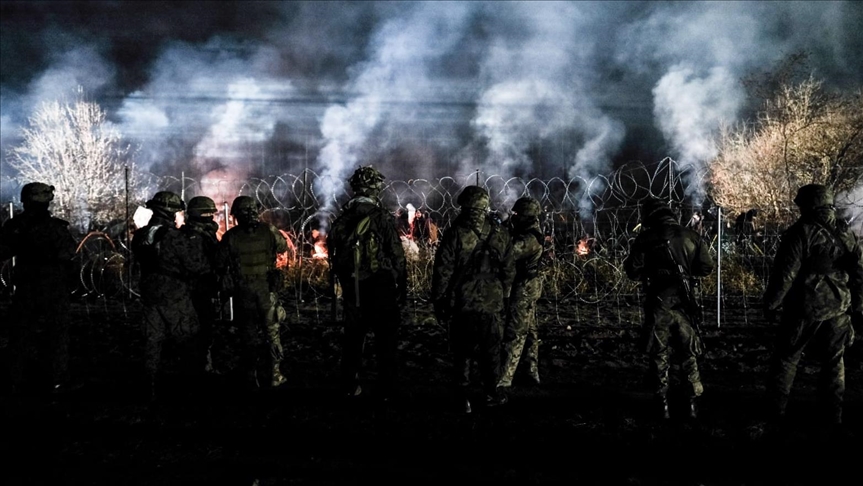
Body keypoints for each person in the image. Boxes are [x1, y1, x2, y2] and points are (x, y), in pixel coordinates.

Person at [763, 184, 863, 426]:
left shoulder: (800, 232)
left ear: (809, 204)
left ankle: (775, 415)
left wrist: (771, 304)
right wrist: (857, 305)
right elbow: (859, 271)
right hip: (839, 308)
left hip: (803, 309)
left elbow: (785, 275)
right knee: (833, 363)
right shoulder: (845, 231)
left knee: (787, 360)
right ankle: (833, 417)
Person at [624, 197, 715, 420]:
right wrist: (685, 274)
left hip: (658, 303)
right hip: (684, 304)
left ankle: (661, 404)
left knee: (659, 354)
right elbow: (706, 267)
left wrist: (652, 273)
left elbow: (632, 271)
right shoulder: (690, 236)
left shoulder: (645, 238)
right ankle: (691, 404)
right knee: (688, 353)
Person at [327, 165, 407, 403]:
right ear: (376, 189)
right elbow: (397, 256)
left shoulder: (342, 219)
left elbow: (333, 254)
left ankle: (350, 386)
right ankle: (386, 389)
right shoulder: (380, 218)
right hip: (380, 286)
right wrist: (401, 287)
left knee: (353, 340)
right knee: (386, 341)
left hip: (353, 287)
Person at [432, 185, 515, 413]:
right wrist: (503, 294)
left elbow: (443, 270)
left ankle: (463, 397)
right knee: (491, 351)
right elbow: (509, 270)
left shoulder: (456, 233)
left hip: (463, 302)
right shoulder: (500, 233)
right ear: (485, 206)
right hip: (492, 302)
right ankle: (491, 393)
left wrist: (439, 300)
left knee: (462, 352)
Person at [131, 191, 210, 400]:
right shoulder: (175, 237)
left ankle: (148, 387)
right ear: (170, 212)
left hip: (149, 294)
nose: (180, 216)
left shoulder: (140, 235)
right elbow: (197, 266)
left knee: (151, 342)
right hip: (176, 296)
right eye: (178, 212)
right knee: (188, 340)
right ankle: (189, 388)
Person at [0, 183, 77, 394]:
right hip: (54, 290)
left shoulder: (16, 226)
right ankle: (54, 380)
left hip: (27, 289)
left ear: (26, 201)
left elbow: (3, 250)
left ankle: (15, 380)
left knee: (20, 335)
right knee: (56, 337)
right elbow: (69, 254)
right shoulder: (57, 228)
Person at [218, 195, 288, 390]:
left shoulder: (231, 236)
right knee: (272, 333)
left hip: (243, 292)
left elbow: (220, 262)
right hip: (266, 290)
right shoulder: (269, 231)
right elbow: (282, 248)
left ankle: (250, 376)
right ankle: (275, 375)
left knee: (248, 335)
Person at [499, 196, 545, 388]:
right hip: (527, 286)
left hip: (524, 287)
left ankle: (503, 380)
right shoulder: (528, 233)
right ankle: (530, 373)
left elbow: (508, 252)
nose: (514, 217)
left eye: (517, 214)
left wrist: (500, 233)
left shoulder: (529, 238)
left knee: (515, 332)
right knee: (530, 332)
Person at [181, 196, 221, 375]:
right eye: (209, 215)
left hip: (188, 291)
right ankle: (201, 367)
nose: (212, 219)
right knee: (203, 329)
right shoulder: (199, 237)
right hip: (199, 290)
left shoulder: (182, 234)